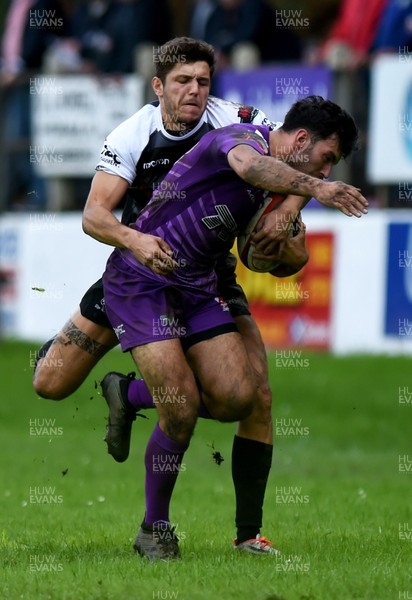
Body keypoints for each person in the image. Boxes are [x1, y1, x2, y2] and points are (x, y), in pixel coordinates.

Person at [33, 37, 366, 556]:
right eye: (183, 81)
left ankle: (137, 401)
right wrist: (318, 189)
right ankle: (154, 528)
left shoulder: (238, 116)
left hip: (201, 278)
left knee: (243, 396)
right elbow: (254, 164)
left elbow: (282, 185)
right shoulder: (158, 135)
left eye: (203, 81)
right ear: (159, 85)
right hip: (139, 267)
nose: (194, 91)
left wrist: (287, 216)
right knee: (60, 386)